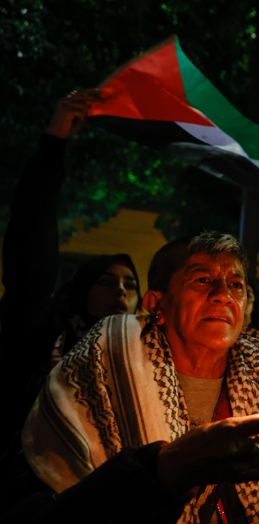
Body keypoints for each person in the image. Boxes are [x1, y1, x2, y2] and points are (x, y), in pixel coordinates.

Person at [7, 232, 259, 524]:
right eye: (202, 279)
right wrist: (159, 472)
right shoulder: (103, 365)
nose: (223, 294)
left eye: (236, 284)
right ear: (156, 304)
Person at [0, 89, 142, 450]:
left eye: (130, 284)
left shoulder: (142, 357)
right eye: (106, 282)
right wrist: (54, 142)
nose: (121, 291)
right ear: (81, 291)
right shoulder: (42, 331)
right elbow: (31, 241)